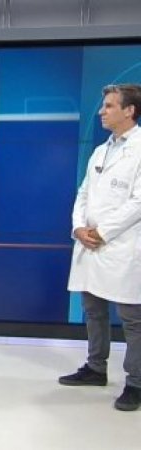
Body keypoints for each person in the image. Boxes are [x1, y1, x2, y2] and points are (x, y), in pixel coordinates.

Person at [60, 83, 141, 411]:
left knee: (132, 319)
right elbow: (83, 193)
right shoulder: (100, 150)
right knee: (93, 309)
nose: (101, 111)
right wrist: (79, 227)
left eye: (109, 106)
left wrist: (103, 232)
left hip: (123, 245)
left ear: (129, 110)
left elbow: (138, 201)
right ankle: (96, 367)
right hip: (90, 244)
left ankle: (136, 382)